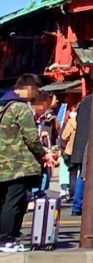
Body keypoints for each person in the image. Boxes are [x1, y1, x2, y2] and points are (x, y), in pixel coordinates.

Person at [0, 75, 54, 252]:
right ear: (29, 88)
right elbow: (31, 137)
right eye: (36, 90)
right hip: (19, 165)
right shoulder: (21, 108)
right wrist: (43, 154)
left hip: (2, 163)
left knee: (3, 201)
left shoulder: (3, 105)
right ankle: (7, 238)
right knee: (14, 202)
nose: (36, 94)